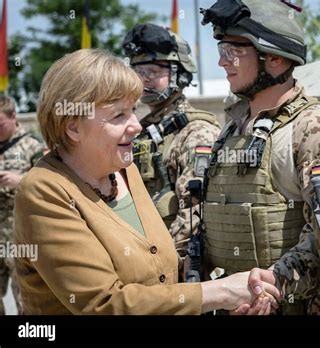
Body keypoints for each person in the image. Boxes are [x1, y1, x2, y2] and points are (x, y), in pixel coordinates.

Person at [13, 48, 279, 315]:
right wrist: (220, 292)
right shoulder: (44, 191)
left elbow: (163, 274)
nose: (136, 125)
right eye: (119, 115)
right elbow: (105, 304)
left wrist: (233, 298)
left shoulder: (125, 172)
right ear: (73, 127)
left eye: (133, 110)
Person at [200, 0, 320, 314]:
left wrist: (273, 285)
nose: (222, 63)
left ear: (276, 59)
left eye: (233, 52)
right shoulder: (231, 130)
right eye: (221, 51)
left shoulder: (316, 128)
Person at [122, 25, 221, 271]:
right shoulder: (138, 130)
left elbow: (194, 213)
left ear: (180, 74)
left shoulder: (197, 132)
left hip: (173, 266)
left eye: (153, 71)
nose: (143, 79)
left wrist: (158, 265)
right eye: (138, 71)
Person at [0, 96, 44, 315]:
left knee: (24, 299)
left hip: (20, 237)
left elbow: (49, 184)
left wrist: (21, 180)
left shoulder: (32, 146)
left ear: (13, 117)